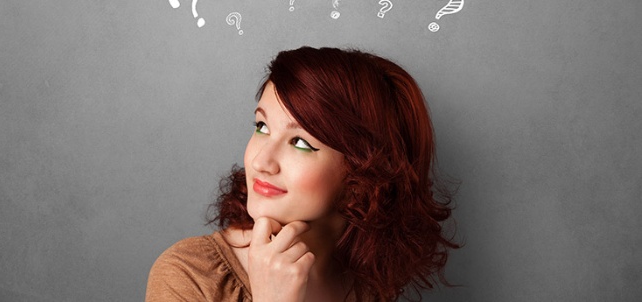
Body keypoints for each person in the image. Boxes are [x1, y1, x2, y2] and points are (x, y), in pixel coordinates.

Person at [145, 46, 459, 302]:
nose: (262, 161)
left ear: (363, 176)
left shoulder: (366, 284)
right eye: (262, 127)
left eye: (300, 142)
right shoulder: (187, 275)